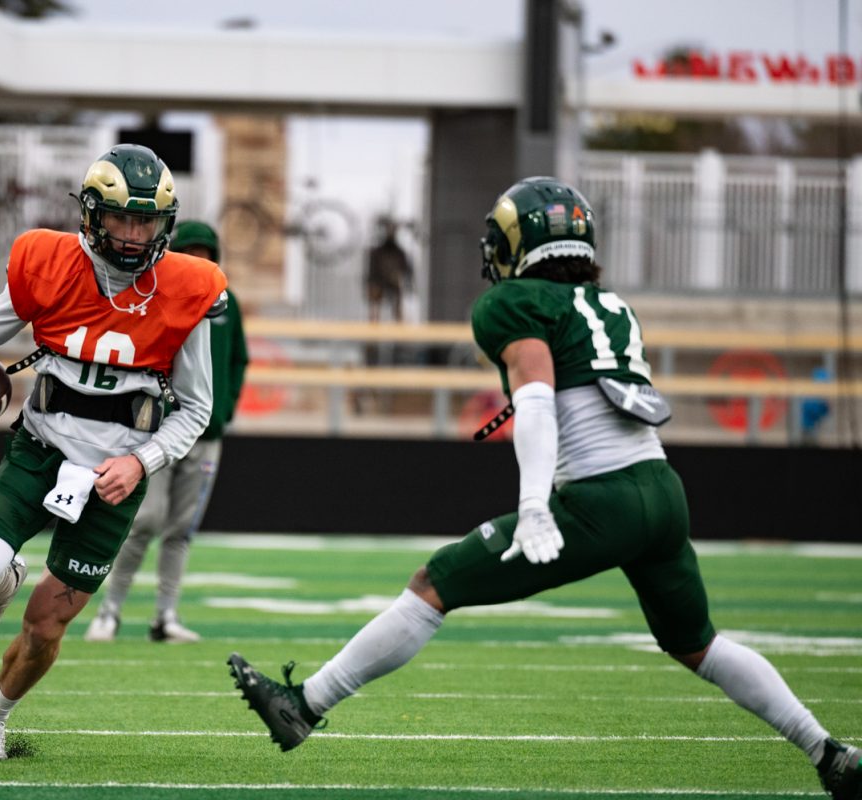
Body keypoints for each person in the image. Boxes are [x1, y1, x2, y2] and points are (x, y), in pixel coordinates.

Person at [227, 177, 861, 800]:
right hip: (662, 490)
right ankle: (827, 751)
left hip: (599, 499)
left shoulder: (515, 303)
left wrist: (534, 507)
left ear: (517, 244)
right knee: (699, 645)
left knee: (433, 583)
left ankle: (305, 705)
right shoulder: (611, 304)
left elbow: (536, 401)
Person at [0, 144, 227, 762]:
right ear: (92, 214)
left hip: (114, 478)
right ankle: (2, 583)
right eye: (122, 218)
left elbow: (196, 409)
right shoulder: (50, 263)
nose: (136, 235)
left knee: (44, 628)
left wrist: (141, 462)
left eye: (147, 221)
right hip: (39, 451)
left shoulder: (186, 288)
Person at [84, 220, 249, 644]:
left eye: (205, 253)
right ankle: (109, 612)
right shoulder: (157, 298)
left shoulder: (228, 306)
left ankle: (165, 616)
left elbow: (238, 361)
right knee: (145, 521)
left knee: (180, 529)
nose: (198, 259)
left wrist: (223, 411)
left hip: (207, 436)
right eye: (190, 251)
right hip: (159, 431)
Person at [364, 216, 412, 324]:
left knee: (398, 301)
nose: (390, 233)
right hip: (378, 282)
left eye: (393, 230)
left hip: (394, 283)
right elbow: (372, 272)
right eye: (388, 230)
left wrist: (397, 277)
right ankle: (373, 327)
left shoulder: (400, 253)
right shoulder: (376, 252)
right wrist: (374, 284)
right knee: (374, 293)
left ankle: (399, 326)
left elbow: (405, 270)